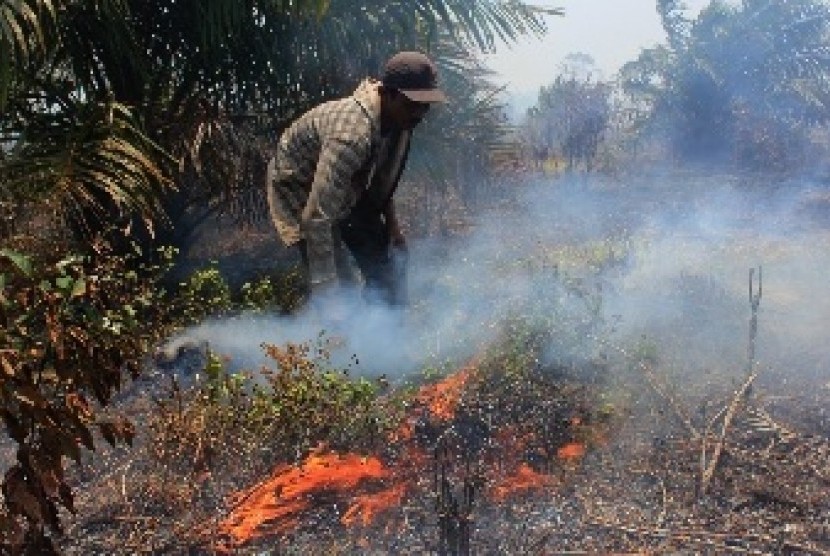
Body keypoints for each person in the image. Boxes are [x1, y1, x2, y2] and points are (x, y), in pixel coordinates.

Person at [266, 50, 446, 311]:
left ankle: (392, 335)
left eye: (425, 104)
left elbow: (381, 178)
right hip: (299, 185)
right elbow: (316, 218)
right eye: (412, 104)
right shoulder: (351, 137)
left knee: (387, 265)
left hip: (347, 185)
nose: (419, 113)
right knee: (341, 288)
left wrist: (393, 229)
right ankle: (328, 336)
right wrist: (329, 294)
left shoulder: (399, 118)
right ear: (388, 94)